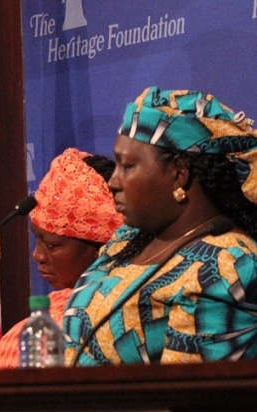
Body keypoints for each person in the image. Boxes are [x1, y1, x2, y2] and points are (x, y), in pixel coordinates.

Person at [63, 87, 257, 366]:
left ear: (178, 173)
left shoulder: (226, 265)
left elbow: (192, 389)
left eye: (127, 166)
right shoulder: (126, 241)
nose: (113, 182)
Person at [0, 147, 122, 368]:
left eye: (52, 245)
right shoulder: (30, 331)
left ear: (101, 244)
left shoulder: (125, 318)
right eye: (37, 239)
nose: (37, 255)